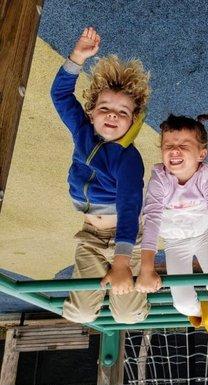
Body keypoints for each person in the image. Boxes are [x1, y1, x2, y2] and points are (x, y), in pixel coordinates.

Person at [135, 96, 208, 381]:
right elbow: (151, 219)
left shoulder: (207, 178)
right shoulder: (160, 179)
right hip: (175, 243)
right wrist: (147, 267)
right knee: (182, 304)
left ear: (201, 154)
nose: (174, 151)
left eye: (183, 146)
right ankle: (205, 318)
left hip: (205, 235)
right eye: (168, 146)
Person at [51, 27, 150, 324]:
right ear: (91, 112)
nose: (112, 115)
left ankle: (137, 292)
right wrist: (77, 57)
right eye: (105, 108)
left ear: (133, 122)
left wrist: (121, 261)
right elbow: (60, 95)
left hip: (128, 237)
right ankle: (107, 292)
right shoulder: (82, 132)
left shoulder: (128, 159)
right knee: (79, 314)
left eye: (122, 113)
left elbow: (130, 208)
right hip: (91, 238)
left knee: (129, 315)